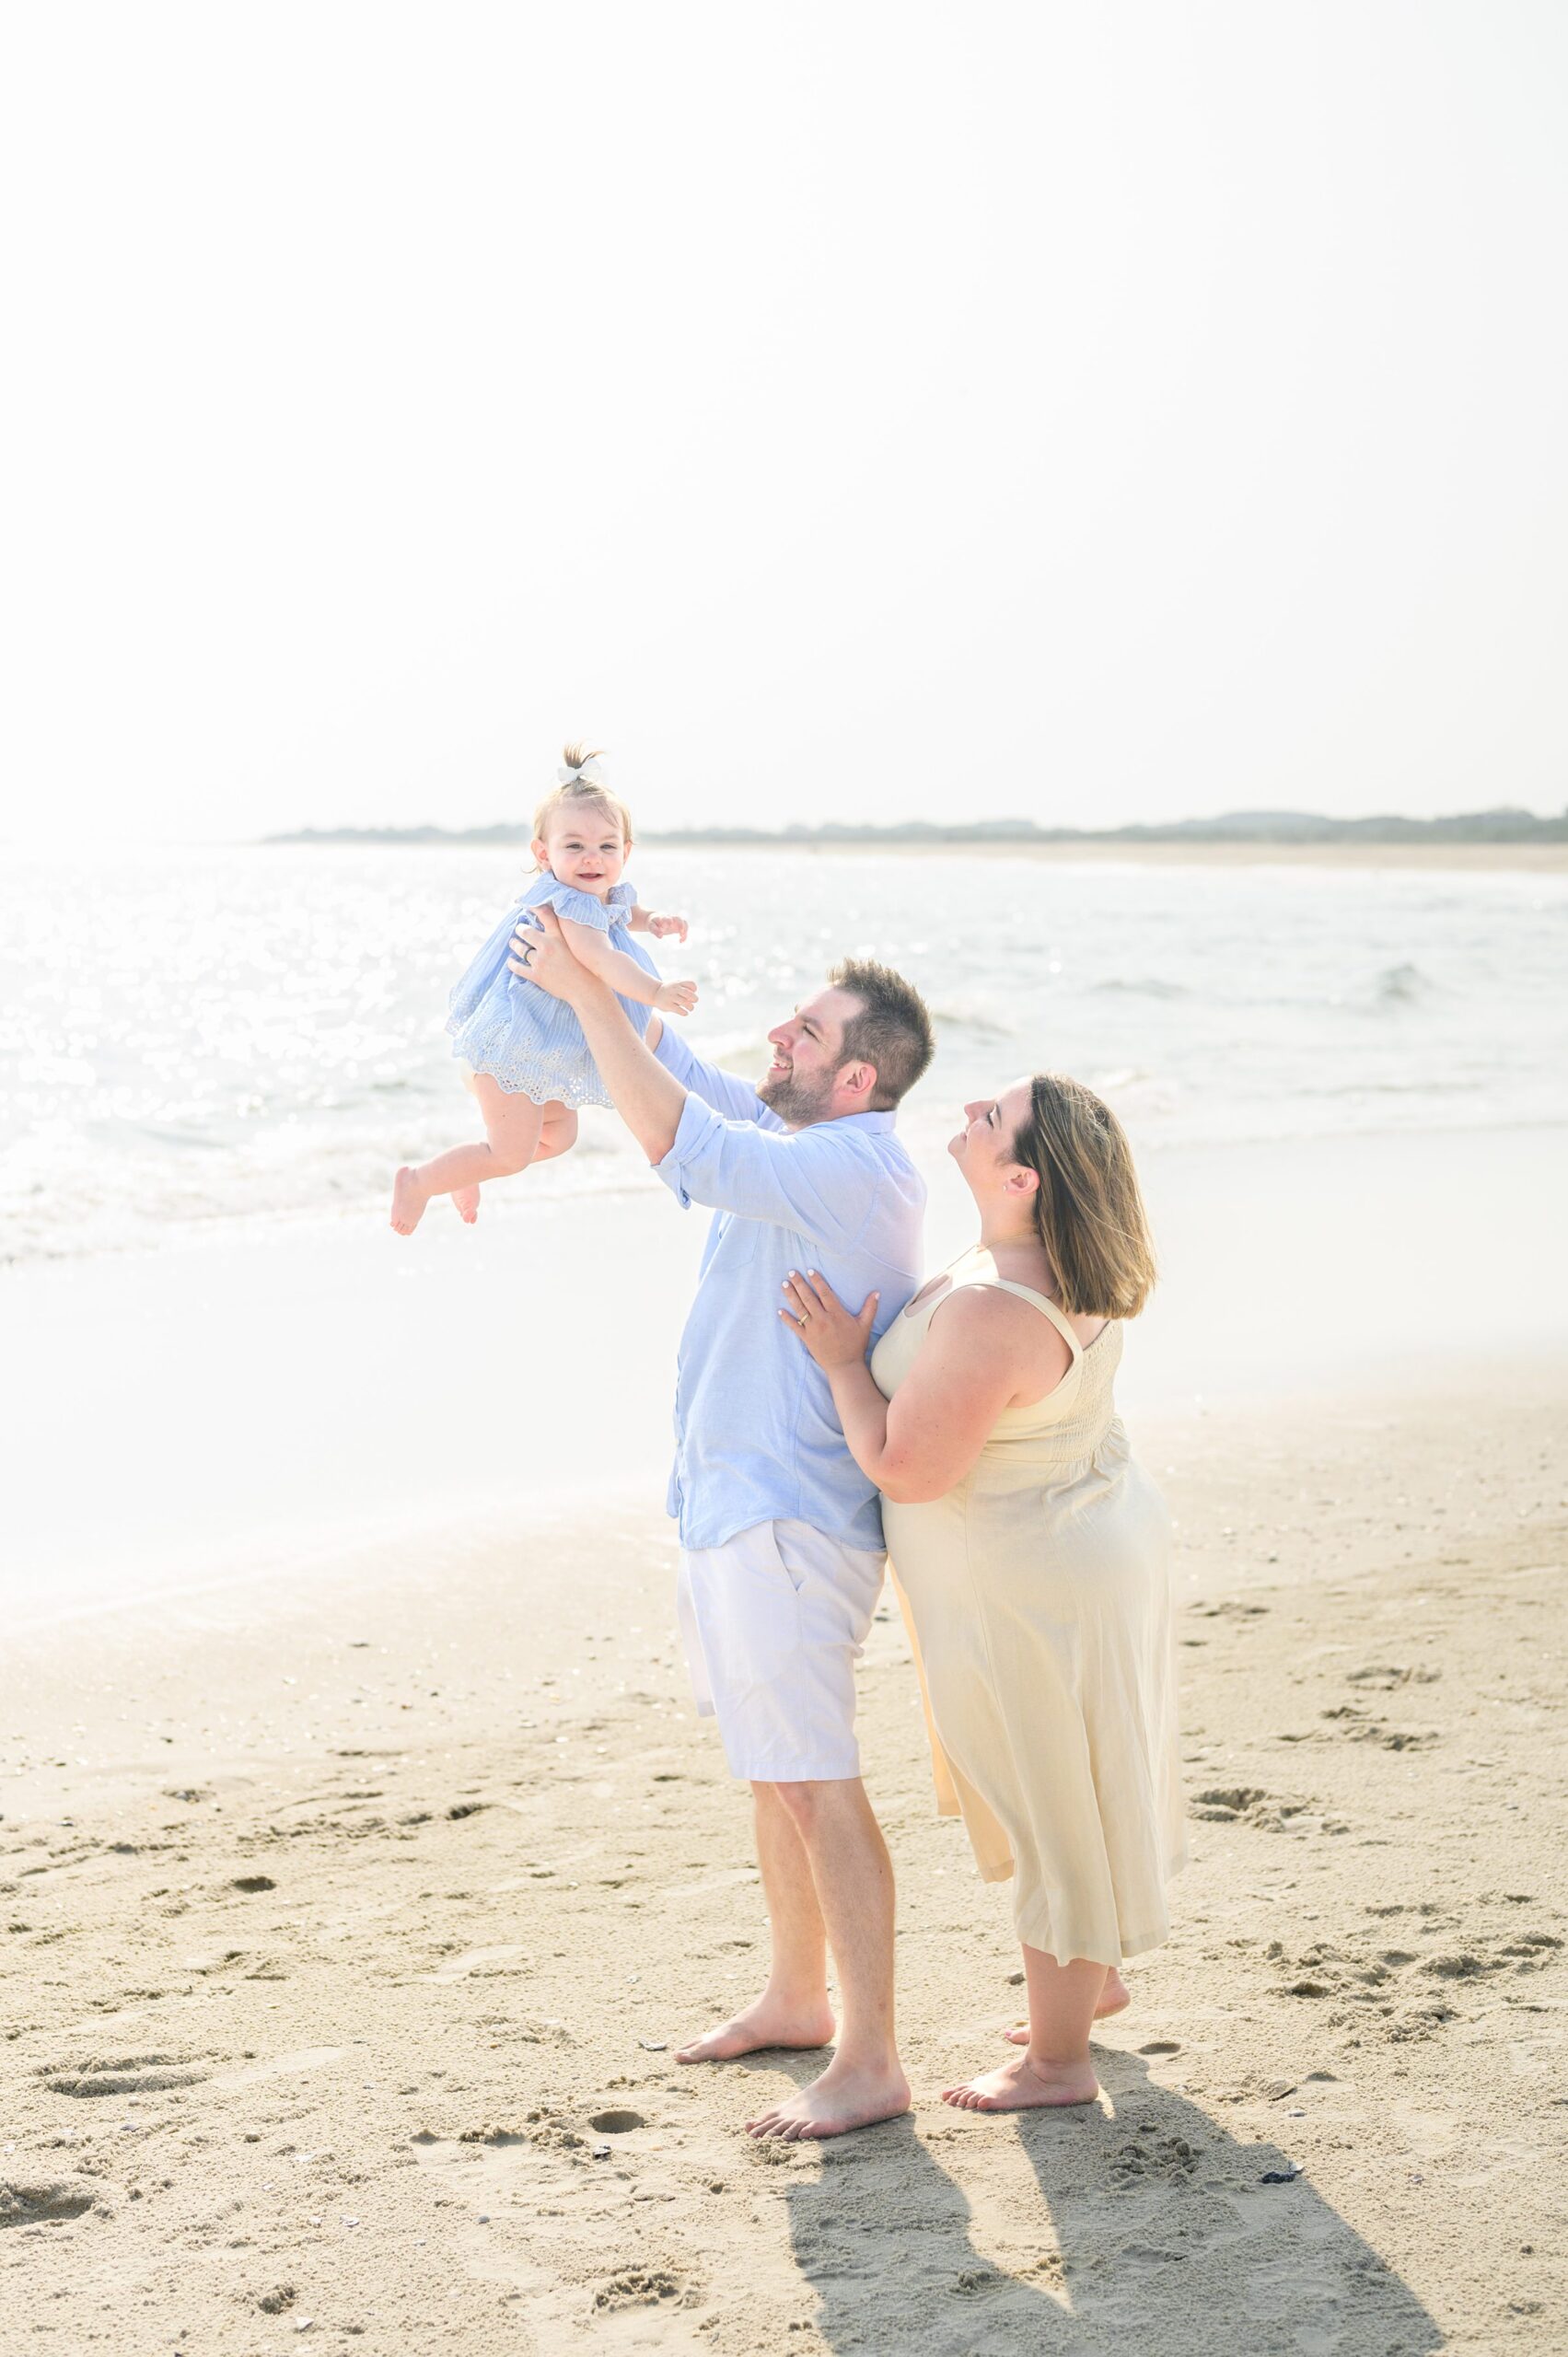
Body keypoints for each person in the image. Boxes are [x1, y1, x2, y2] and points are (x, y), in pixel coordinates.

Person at [512, 900, 934, 2141]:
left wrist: (595, 998)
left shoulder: (858, 1163)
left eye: (802, 1031)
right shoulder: (796, 1133)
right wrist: (596, 961)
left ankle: (870, 2058)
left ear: (854, 1073)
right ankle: (796, 1999)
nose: (777, 1035)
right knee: (771, 1777)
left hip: (790, 1527)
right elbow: (675, 1075)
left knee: (815, 1782)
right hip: (728, 1509)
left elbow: (682, 1144)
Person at [780, 1073, 1185, 2114]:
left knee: (1046, 1799)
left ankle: (1056, 2064)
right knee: (1074, 1782)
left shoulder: (994, 1308)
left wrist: (837, 1364)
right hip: (1079, 1543)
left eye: (990, 1113)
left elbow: (907, 1468)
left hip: (1029, 1582)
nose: (967, 1106)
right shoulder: (1049, 1267)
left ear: (1020, 1175)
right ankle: (1086, 1981)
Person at [389, 747, 695, 1235]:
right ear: (543, 853)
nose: (592, 858)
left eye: (606, 847)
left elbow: (622, 915)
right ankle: (421, 1180)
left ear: (626, 851)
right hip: (515, 1045)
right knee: (510, 1154)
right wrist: (655, 992)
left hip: (538, 1047)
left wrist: (653, 920)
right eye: (573, 846)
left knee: (559, 1135)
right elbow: (600, 958)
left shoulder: (599, 895)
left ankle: (468, 1167)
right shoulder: (566, 903)